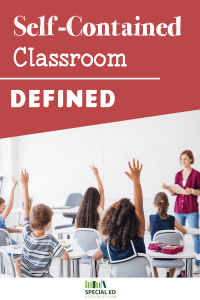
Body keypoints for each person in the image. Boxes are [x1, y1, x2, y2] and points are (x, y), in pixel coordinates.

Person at [93, 159, 146, 264]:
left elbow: (95, 256)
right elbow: (139, 207)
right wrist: (136, 181)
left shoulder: (107, 245)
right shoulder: (138, 239)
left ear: (111, 221)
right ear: (133, 219)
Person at [20, 169, 69, 278]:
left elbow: (27, 208)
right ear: (47, 225)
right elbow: (65, 257)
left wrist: (25, 185)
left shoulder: (26, 233)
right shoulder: (50, 241)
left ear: (31, 222)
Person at [162, 150, 200, 274]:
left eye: (185, 159)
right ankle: (179, 263)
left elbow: (199, 191)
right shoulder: (178, 174)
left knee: (195, 236)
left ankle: (197, 264)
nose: (183, 162)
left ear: (191, 159)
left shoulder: (196, 174)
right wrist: (168, 188)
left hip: (192, 209)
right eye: (181, 159)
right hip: (179, 209)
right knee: (178, 236)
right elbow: (175, 192)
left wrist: (192, 191)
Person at [146, 192, 187, 278]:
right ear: (167, 205)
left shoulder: (151, 218)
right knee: (175, 248)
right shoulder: (172, 219)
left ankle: (156, 278)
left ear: (154, 204)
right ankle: (170, 278)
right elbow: (184, 231)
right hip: (171, 255)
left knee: (151, 253)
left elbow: (149, 229)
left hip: (156, 256)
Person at [75, 165, 106, 241]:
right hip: (98, 249)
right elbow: (102, 191)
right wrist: (97, 175)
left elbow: (76, 232)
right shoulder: (99, 211)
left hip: (82, 248)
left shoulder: (79, 214)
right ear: (97, 199)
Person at [0, 177, 22, 276]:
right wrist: (13, 188)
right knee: (22, 252)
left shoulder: (1, 220)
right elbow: (9, 207)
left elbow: (4, 229)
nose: (4, 208)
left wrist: (19, 230)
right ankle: (20, 276)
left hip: (3, 247)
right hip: (6, 247)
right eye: (3, 207)